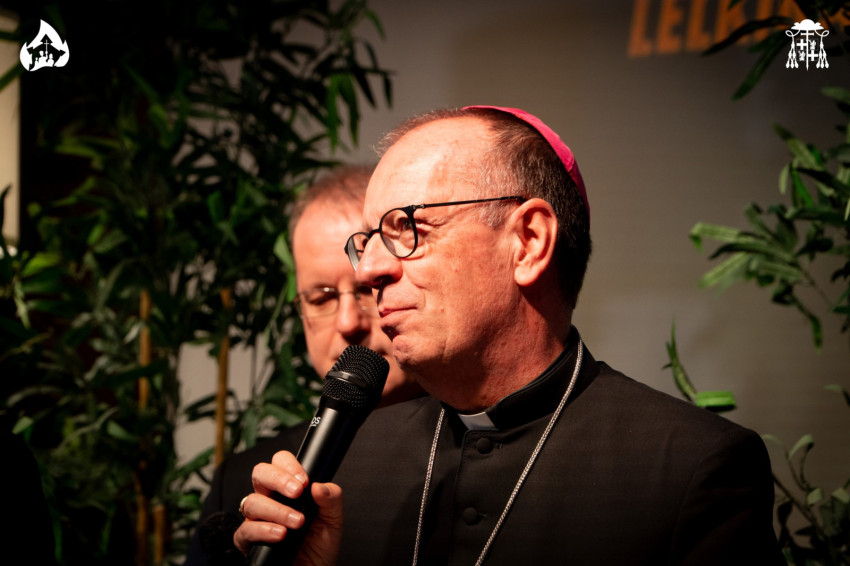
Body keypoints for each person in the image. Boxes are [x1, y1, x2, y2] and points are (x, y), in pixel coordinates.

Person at [232, 106, 786, 565]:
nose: (370, 269)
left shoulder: (690, 468)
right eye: (370, 239)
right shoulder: (346, 469)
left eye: (407, 228)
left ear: (528, 242)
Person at [183, 166, 424, 566]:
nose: (348, 322)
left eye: (368, 289)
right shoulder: (241, 482)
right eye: (321, 298)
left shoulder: (481, 445)